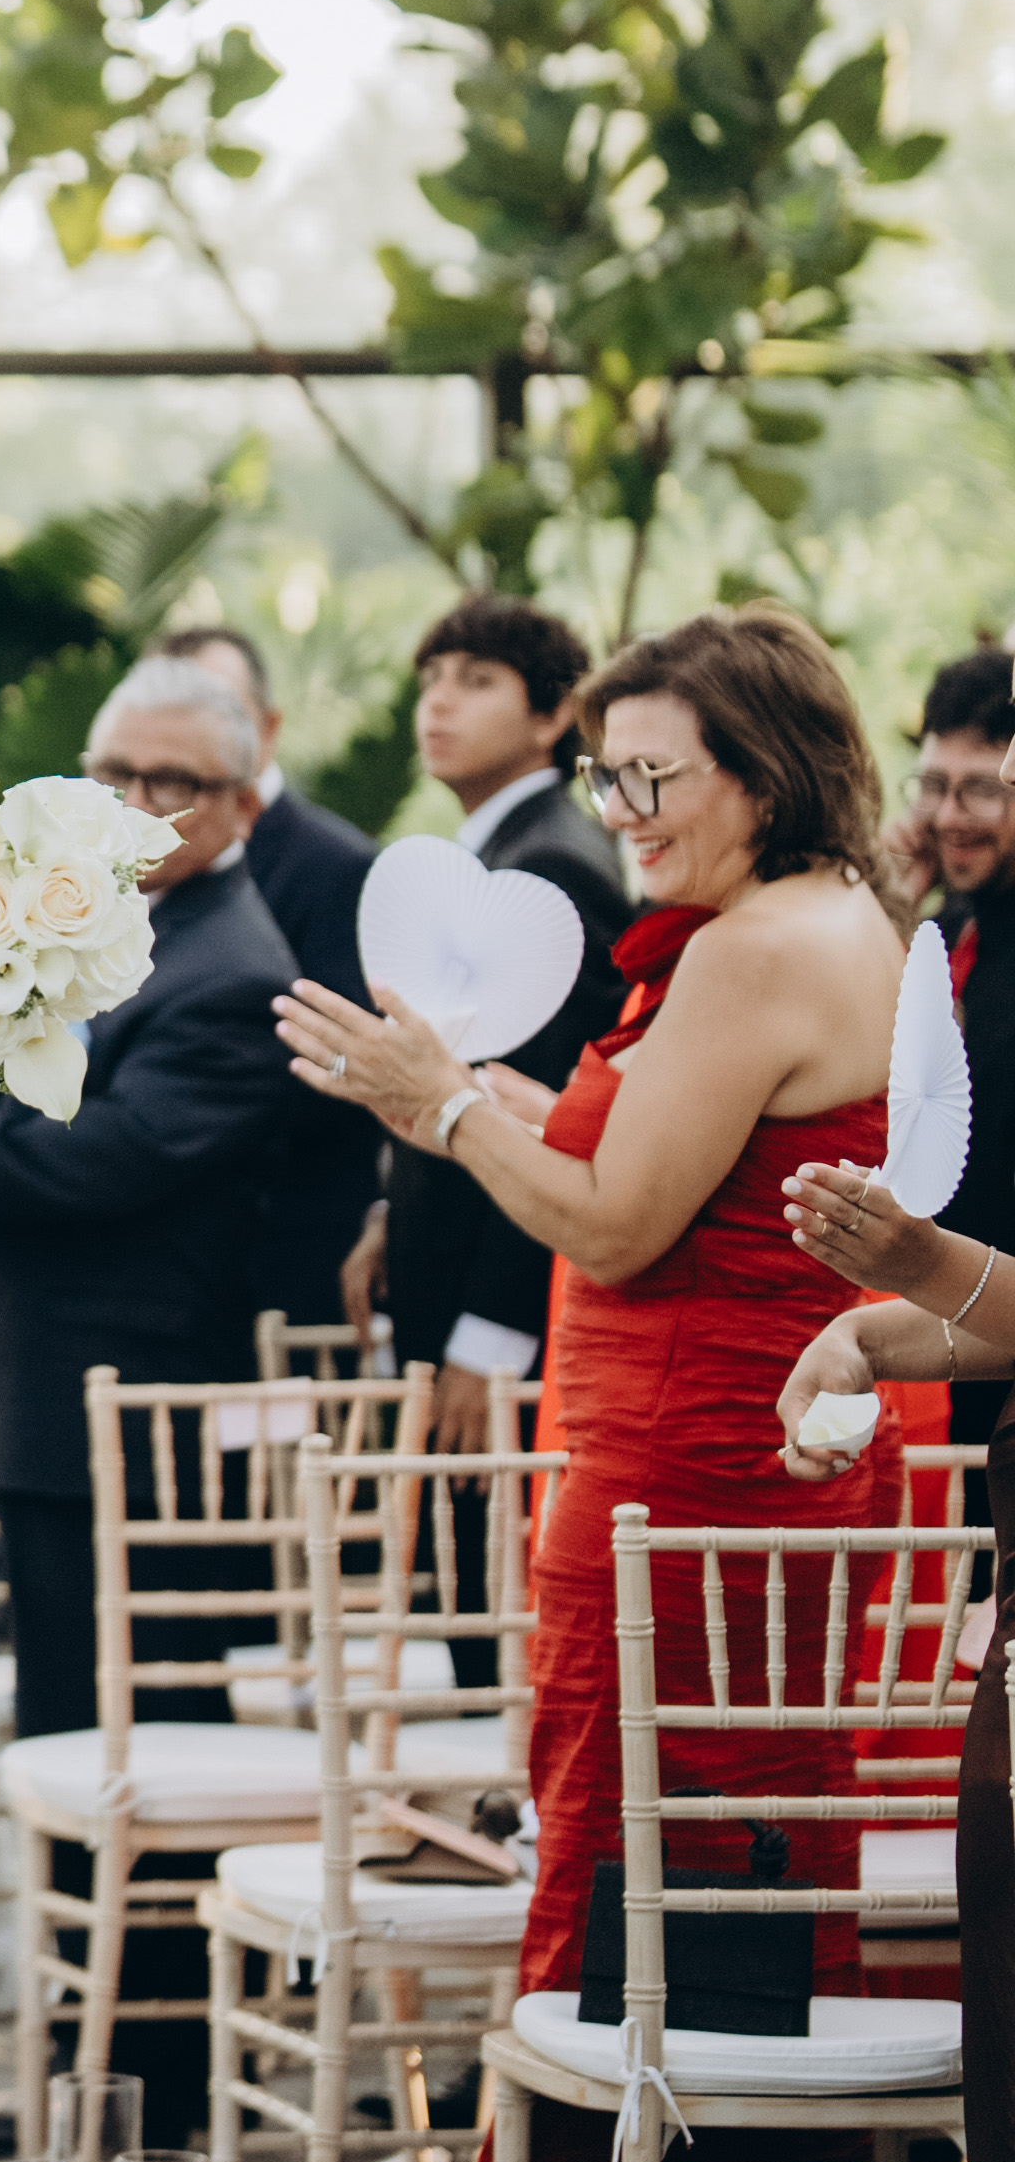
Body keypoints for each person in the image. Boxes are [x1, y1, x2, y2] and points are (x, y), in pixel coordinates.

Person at [278, 604, 907, 2162]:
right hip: (715, 1478)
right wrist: (471, 1095)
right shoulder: (822, 921)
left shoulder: (754, 949)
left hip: (694, 1490)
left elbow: (620, 1221)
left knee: (653, 1904)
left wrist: (441, 1108)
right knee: (711, 1905)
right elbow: (645, 1162)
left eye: (652, 776)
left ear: (762, 774)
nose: (619, 810)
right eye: (605, 775)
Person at [0, 659, 300, 1748]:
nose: (132, 802)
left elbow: (93, 1162)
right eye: (112, 773)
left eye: (171, 781)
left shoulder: (230, 967)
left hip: (124, 1403)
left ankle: (124, 1881)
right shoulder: (91, 922)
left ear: (243, 806)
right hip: (35, 1388)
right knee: (62, 1720)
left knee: (132, 1731)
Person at [344, 597, 628, 1589]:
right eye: (430, 681)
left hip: (497, 1301)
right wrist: (392, 1206)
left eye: (475, 681)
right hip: (444, 1264)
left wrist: (493, 1336)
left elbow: (550, 1108)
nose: (439, 704)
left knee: (497, 1603)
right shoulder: (494, 852)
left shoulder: (553, 867)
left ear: (552, 716)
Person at [169, 620, 380, 1321]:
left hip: (290, 1250)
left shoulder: (339, 867)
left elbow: (342, 1070)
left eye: (218, 712)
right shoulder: (131, 863)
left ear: (268, 728)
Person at [901, 650, 1015, 1260]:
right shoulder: (947, 925)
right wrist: (892, 904)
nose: (947, 816)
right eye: (933, 786)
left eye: (979, 790)